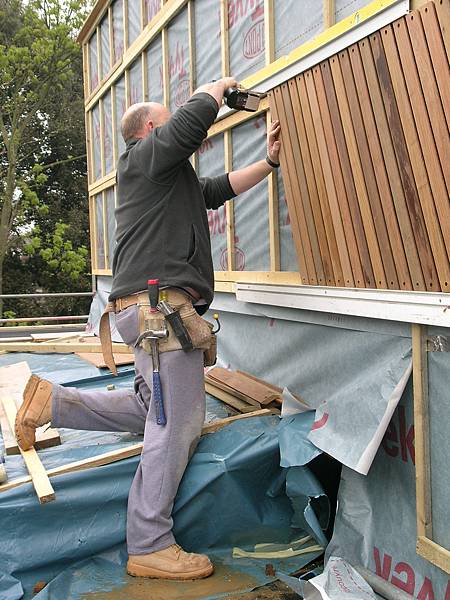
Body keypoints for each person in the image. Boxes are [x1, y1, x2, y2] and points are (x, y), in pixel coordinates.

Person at [15, 77, 281, 581]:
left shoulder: (168, 180)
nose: (180, 126)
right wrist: (216, 88)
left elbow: (216, 189)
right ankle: (150, 542)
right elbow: (185, 129)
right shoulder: (142, 159)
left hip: (149, 311)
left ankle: (51, 403)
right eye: (169, 118)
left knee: (150, 408)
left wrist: (269, 162)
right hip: (161, 312)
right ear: (151, 128)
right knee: (177, 423)